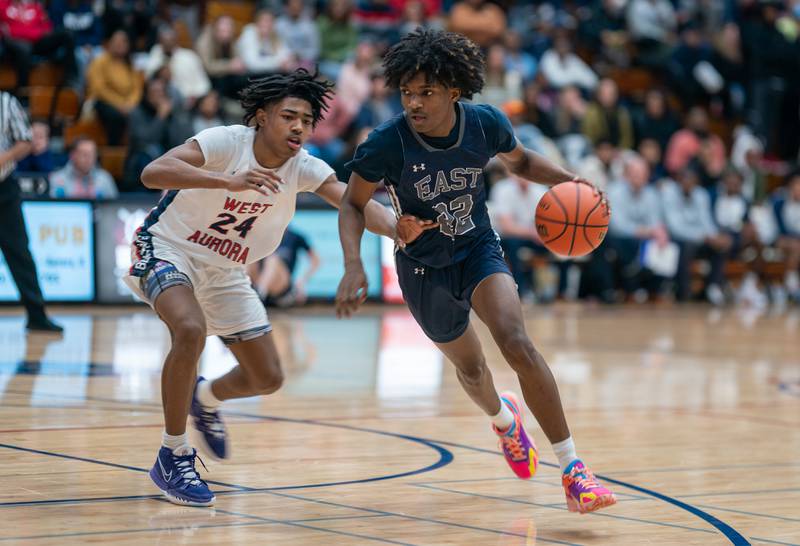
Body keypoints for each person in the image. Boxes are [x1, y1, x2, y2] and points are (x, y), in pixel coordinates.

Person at [335, 29, 617, 515]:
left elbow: (521, 161)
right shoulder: (387, 142)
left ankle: (574, 471)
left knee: (516, 341)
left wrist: (571, 181)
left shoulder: (485, 124)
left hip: (477, 248)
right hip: (423, 267)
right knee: (471, 367)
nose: (414, 102)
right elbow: (352, 204)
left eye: (426, 92)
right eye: (407, 92)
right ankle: (504, 420)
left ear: (454, 91)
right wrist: (357, 260)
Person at [122, 69, 426, 507]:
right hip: (168, 248)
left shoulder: (303, 166)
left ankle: (203, 397)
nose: (299, 126)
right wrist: (227, 180)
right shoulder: (226, 142)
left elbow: (353, 202)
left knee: (267, 377)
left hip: (227, 269)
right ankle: (173, 454)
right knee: (188, 328)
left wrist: (397, 228)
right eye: (289, 116)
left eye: (306, 119)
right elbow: (153, 172)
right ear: (262, 117)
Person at [0, 91, 62, 333]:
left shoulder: (6, 101)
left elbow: (26, 141)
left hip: (4, 190)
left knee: (20, 254)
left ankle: (36, 315)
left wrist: (4, 157)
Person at [247, 227, 319, 307]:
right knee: (249, 258)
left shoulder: (295, 237)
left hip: (282, 287)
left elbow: (316, 261)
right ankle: (246, 290)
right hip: (260, 280)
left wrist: (301, 282)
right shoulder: (265, 236)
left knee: (272, 259)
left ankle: (260, 293)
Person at [49, 137, 118, 199]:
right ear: (72, 156)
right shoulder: (56, 179)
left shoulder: (104, 178)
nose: (89, 158)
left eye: (92, 154)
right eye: (84, 154)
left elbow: (114, 208)